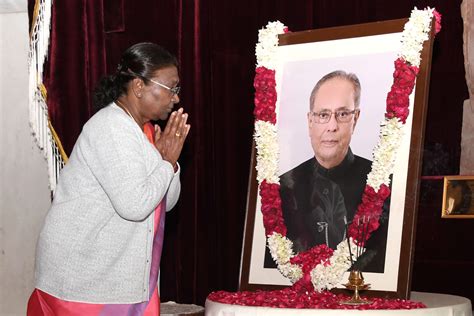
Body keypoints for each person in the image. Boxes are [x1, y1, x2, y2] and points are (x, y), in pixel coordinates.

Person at [27, 42, 190, 316]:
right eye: (170, 88)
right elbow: (135, 205)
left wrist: (170, 167)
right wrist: (165, 162)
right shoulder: (110, 128)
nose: (175, 98)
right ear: (139, 86)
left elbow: (166, 202)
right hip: (82, 277)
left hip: (116, 274)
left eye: (177, 90)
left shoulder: (144, 131)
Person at [264, 70, 388, 272]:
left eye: (342, 114)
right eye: (323, 115)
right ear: (310, 121)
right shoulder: (281, 187)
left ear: (355, 119)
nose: (332, 126)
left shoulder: (382, 184)